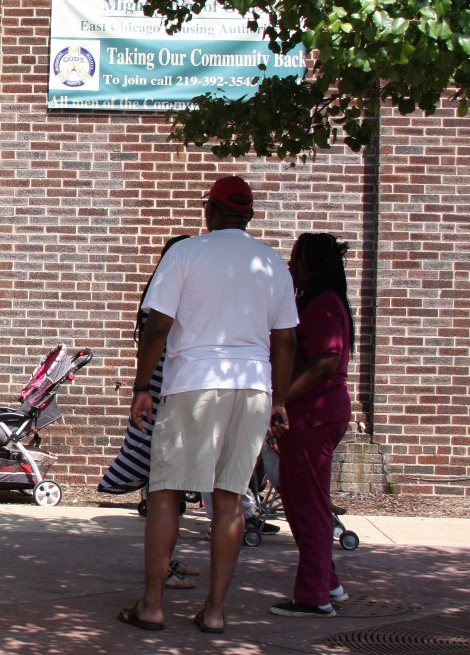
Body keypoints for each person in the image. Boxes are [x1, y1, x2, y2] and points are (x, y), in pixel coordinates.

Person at [117, 176, 298, 634]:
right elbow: (287, 341)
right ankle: (215, 613)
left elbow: (157, 327)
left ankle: (152, 606)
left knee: (166, 491)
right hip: (253, 386)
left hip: (194, 383)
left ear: (210, 211)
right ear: (249, 215)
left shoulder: (185, 253)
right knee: (230, 500)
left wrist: (142, 386)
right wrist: (279, 400)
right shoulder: (272, 262)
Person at [97, 235, 201, 589]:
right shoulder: (161, 305)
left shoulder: (166, 299)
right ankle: (161, 569)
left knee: (167, 488)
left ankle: (167, 561)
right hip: (162, 398)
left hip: (165, 395)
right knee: (163, 489)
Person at [269, 233, 355, 618]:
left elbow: (324, 363)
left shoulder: (322, 306)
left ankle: (312, 597)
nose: (290, 268)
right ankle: (329, 584)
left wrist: (282, 401)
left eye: (296, 261)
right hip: (312, 416)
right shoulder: (320, 302)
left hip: (313, 416)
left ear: (315, 266)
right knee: (301, 500)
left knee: (309, 507)